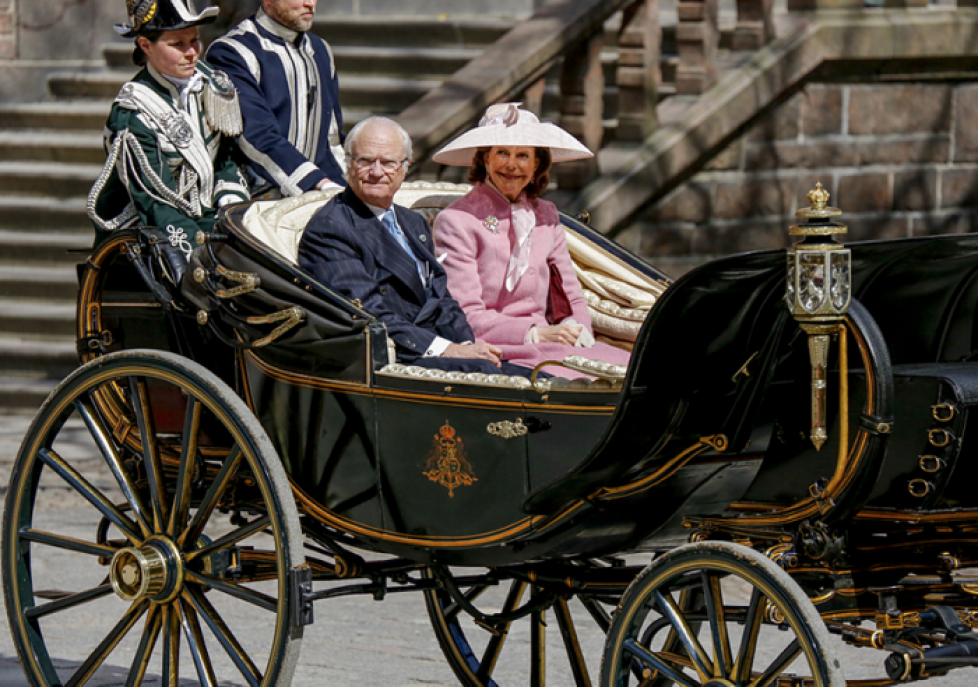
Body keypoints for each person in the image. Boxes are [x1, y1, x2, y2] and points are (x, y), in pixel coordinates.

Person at [297, 117, 533, 377]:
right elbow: (365, 312)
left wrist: (465, 344)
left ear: (405, 167)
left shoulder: (412, 222)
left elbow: (441, 297)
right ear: (348, 163)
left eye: (387, 162)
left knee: (539, 375)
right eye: (365, 161)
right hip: (390, 359)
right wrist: (448, 349)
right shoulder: (331, 227)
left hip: (436, 347)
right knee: (489, 372)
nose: (376, 172)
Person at [431, 103, 631, 379]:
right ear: (486, 159)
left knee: (637, 372)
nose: (512, 164)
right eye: (502, 153)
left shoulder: (546, 215)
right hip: (497, 350)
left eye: (523, 155)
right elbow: (465, 314)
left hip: (555, 343)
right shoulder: (456, 220)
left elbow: (571, 295)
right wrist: (534, 334)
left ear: (536, 164)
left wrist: (577, 329)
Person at [88, 0, 250, 252]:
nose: (192, 52)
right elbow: (154, 201)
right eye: (178, 44)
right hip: (154, 227)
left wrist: (230, 201)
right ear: (145, 45)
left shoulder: (213, 85)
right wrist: (201, 245)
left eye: (194, 40)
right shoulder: (133, 112)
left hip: (213, 213)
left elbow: (226, 159)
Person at [205, 0, 346, 197]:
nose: (310, 4)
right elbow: (255, 135)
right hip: (256, 195)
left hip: (322, 191)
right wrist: (316, 182)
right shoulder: (233, 51)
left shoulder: (320, 49)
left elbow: (332, 140)